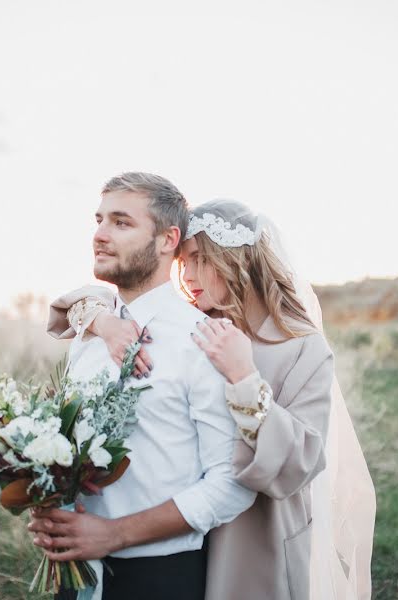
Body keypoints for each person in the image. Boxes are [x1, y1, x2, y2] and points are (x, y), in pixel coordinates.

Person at [44, 199, 376, 600]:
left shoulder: (301, 347)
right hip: (174, 538)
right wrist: (105, 323)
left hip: (254, 540)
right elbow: (82, 301)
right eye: (184, 262)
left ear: (239, 260)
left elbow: (298, 465)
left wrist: (244, 377)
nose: (190, 275)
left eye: (201, 259)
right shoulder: (192, 325)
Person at [28, 175, 256, 600]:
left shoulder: (204, 341)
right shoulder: (91, 332)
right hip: (74, 574)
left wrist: (114, 534)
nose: (99, 235)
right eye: (99, 220)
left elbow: (232, 483)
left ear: (169, 239)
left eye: (121, 222)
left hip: (160, 577)